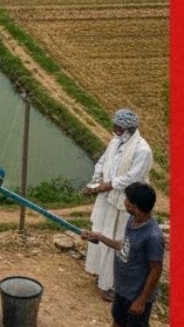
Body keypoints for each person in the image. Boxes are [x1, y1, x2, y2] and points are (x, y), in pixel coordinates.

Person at [83, 108, 153, 301]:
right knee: (99, 232)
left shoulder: (142, 150)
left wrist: (105, 186)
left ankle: (112, 284)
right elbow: (103, 162)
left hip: (125, 204)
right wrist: (95, 181)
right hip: (107, 199)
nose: (114, 129)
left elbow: (131, 178)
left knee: (117, 242)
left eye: (118, 127)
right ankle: (99, 274)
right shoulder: (115, 141)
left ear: (129, 129)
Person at [80, 182, 163, 327]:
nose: (124, 201)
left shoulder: (153, 236)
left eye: (126, 199)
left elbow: (156, 269)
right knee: (118, 321)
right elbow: (123, 245)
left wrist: (142, 300)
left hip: (136, 295)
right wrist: (99, 237)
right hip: (122, 289)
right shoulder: (132, 220)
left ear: (134, 207)